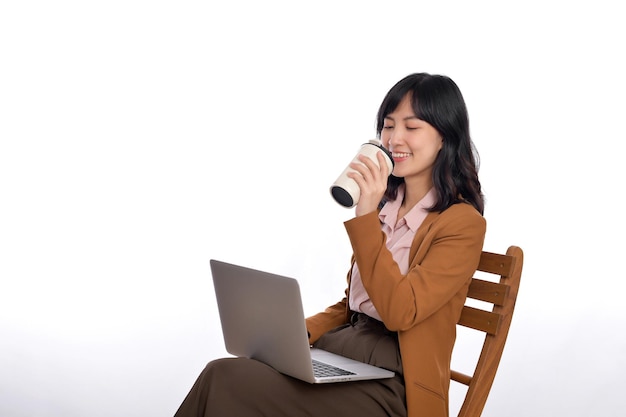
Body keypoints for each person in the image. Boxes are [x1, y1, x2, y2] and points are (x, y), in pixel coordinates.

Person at [173, 72, 486, 417]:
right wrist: (295, 333)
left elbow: (399, 312)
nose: (395, 138)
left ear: (445, 136)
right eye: (387, 125)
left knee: (228, 382)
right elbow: (355, 305)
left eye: (412, 128)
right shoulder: (386, 210)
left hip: (396, 385)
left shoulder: (461, 223)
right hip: (346, 357)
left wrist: (365, 215)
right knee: (225, 373)